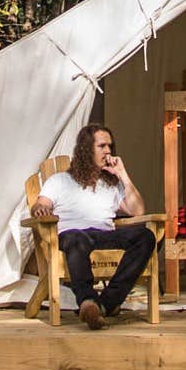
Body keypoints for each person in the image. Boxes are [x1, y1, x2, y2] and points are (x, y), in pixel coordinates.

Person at [36, 123, 152, 326]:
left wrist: (123, 175)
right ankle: (88, 300)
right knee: (76, 237)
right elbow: (41, 204)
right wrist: (40, 209)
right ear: (86, 149)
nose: (108, 151)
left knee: (146, 236)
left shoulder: (111, 183)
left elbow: (138, 211)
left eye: (110, 146)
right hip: (73, 237)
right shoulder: (60, 181)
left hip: (104, 236)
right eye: (102, 146)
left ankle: (103, 304)